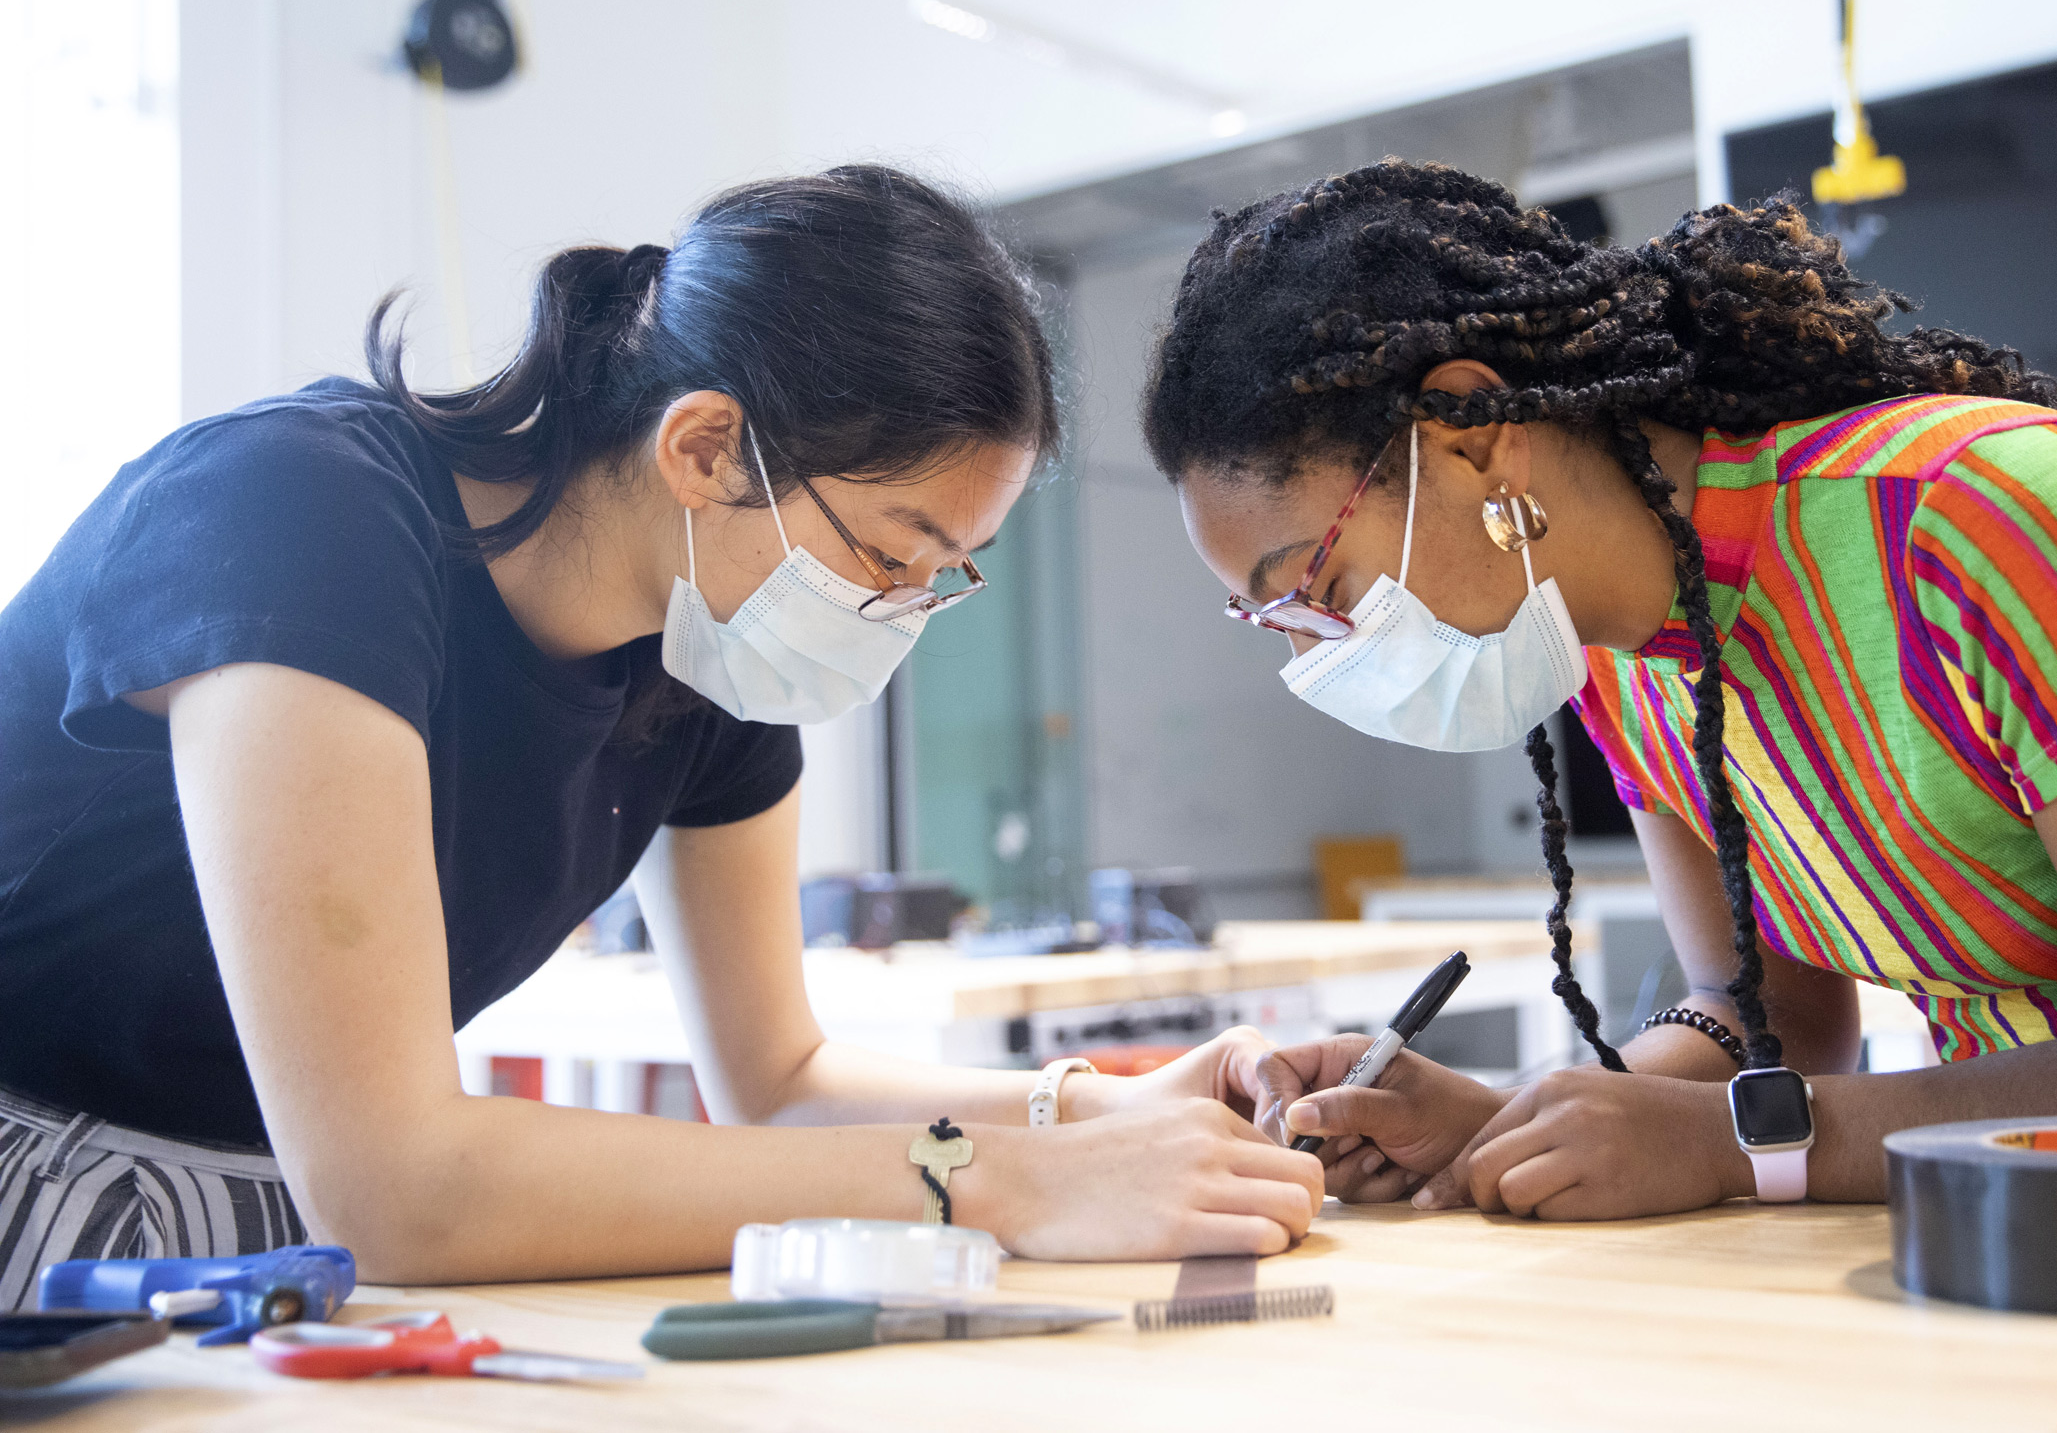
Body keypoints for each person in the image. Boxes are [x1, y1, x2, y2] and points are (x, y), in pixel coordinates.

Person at [0, 165, 1320, 1309]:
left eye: (944, 575)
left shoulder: (698, 672)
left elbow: (780, 1078)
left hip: (292, 1235)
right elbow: (398, 1185)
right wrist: (998, 1181)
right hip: (47, 1195)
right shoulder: (298, 516)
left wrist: (1094, 1112)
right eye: (888, 554)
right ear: (702, 448)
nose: (899, 613)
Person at [1141, 158, 2057, 1217]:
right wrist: (1507, 1118)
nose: (1319, 646)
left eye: (1311, 583)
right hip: (2022, 1163)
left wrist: (1741, 1144)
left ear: (1474, 424)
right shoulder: (1610, 657)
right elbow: (1773, 1018)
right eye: (1271, 618)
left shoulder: (1985, 523)